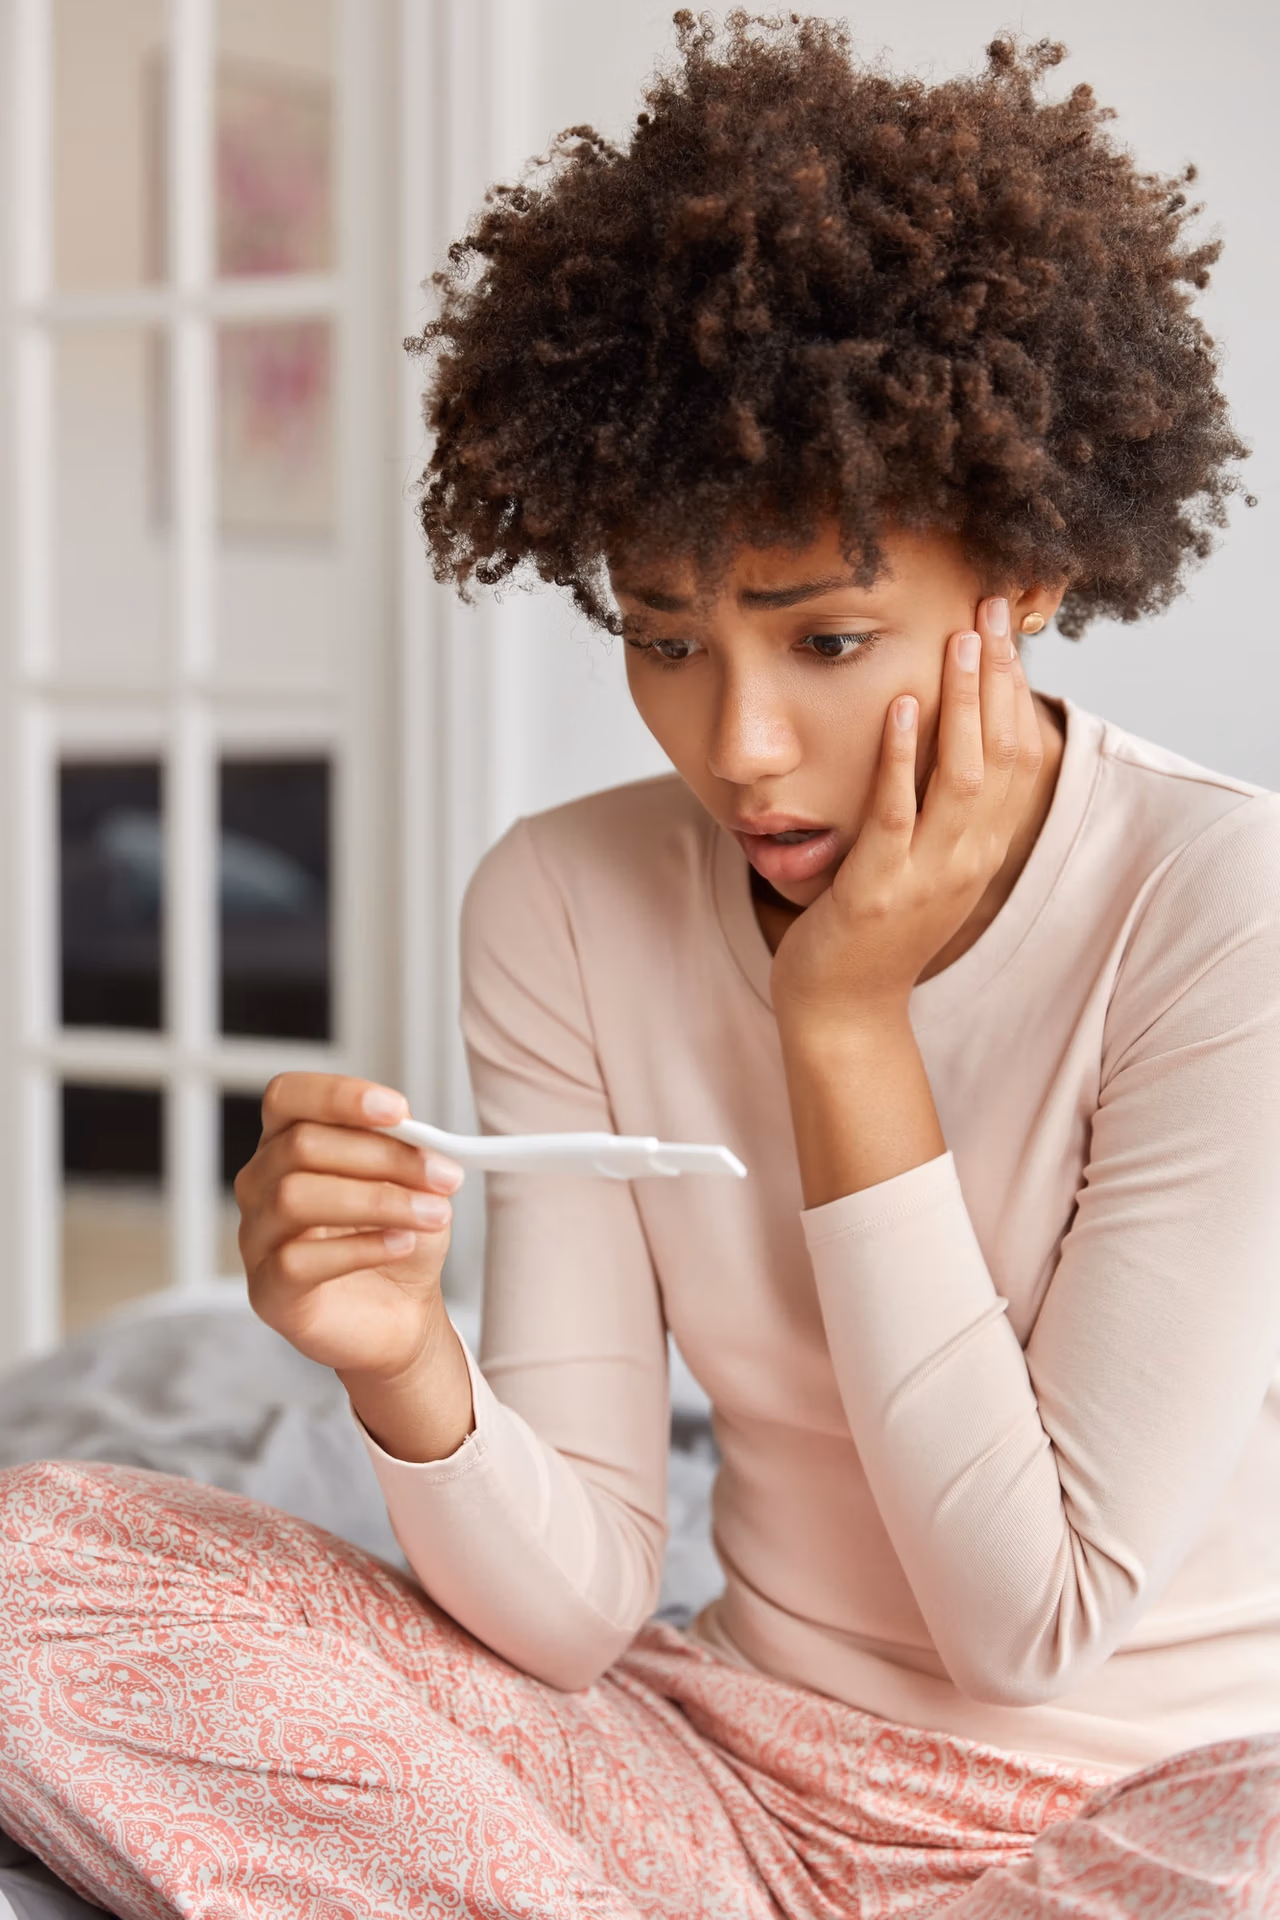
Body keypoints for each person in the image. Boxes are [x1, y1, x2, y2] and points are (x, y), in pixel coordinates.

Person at [3, 15, 1277, 1917]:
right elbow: (586, 1604)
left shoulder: (1218, 905)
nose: (738, 744)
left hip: (1161, 1816)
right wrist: (410, 1371)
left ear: (1021, 582)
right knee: (40, 1566)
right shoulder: (563, 902)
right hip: (725, 1777)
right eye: (664, 638)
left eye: (827, 641)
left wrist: (840, 1019)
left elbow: (1038, 1625)